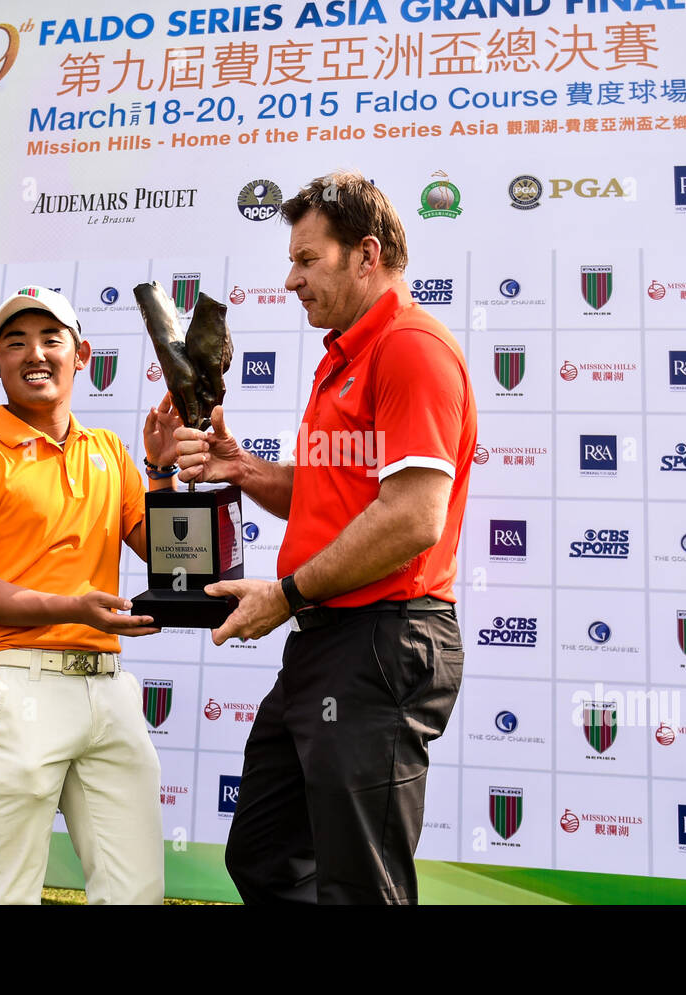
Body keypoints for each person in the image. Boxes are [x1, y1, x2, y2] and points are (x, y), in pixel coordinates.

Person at [174, 170, 477, 904]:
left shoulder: (409, 347)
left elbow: (412, 517)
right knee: (267, 854)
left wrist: (285, 593)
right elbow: (329, 500)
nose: (290, 279)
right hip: (328, 639)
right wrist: (240, 467)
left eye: (308, 260)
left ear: (365, 254)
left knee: (358, 887)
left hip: (381, 642)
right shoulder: (343, 354)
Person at [0, 286, 179, 904]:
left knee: (135, 891)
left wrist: (161, 471)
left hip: (109, 687)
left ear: (82, 354)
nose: (34, 354)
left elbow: (171, 561)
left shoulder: (111, 453)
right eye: (16, 342)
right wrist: (73, 607)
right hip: (14, 683)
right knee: (5, 893)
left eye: (50, 339)